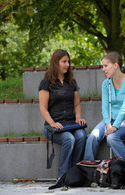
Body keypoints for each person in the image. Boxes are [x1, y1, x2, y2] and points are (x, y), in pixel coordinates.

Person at [39, 49, 87, 179]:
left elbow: (77, 104)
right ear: (56, 63)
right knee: (69, 139)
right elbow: (43, 108)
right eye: (64, 61)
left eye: (68, 61)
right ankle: (62, 176)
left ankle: (74, 173)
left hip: (71, 124)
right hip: (52, 127)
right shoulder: (46, 83)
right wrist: (53, 123)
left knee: (82, 136)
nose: (67, 64)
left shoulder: (71, 82)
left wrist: (78, 117)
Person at [83, 51, 125, 164]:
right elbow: (105, 106)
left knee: (112, 138)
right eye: (102, 66)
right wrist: (108, 124)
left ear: (115, 65)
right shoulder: (106, 83)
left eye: (106, 66)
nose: (103, 69)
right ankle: (89, 169)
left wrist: (115, 126)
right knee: (92, 137)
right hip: (109, 120)